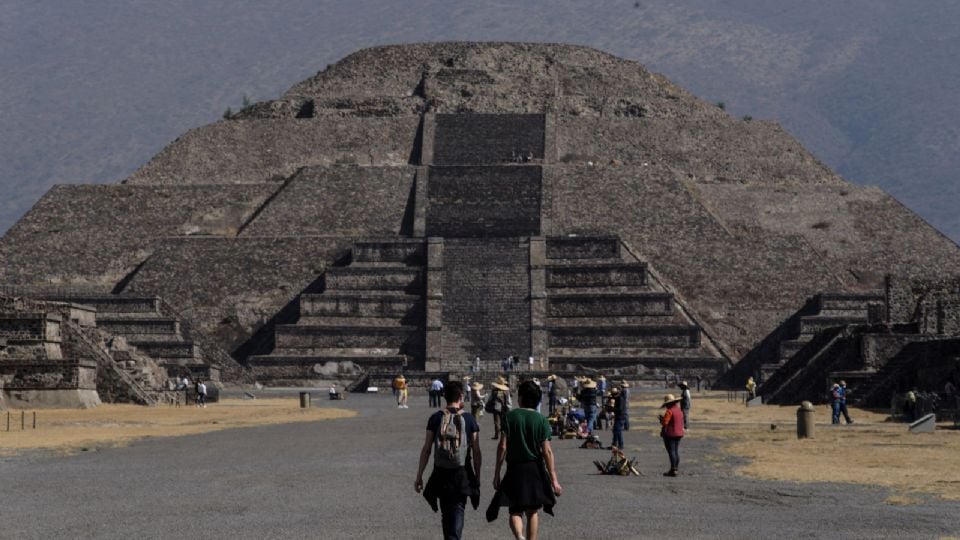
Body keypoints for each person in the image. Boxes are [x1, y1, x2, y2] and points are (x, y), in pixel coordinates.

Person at [488, 380, 562, 540]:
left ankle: (519, 537)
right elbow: (547, 451)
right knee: (533, 510)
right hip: (534, 468)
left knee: (515, 510)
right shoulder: (541, 420)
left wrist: (497, 473)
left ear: (520, 397)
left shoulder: (510, 417)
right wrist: (554, 479)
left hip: (515, 468)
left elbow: (502, 447)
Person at [415, 381, 482, 540]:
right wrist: (477, 476)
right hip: (462, 472)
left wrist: (419, 475)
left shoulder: (435, 418)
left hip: (441, 471)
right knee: (458, 508)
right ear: (461, 396)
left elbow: (426, 449)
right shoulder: (469, 419)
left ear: (444, 396)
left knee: (446, 511)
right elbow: (476, 451)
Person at [659, 394, 685, 476]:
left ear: (669, 403)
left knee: (672, 452)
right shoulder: (679, 410)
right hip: (679, 433)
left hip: (670, 434)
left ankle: (673, 469)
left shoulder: (669, 411)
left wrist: (661, 419)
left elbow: (665, 423)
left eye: (667, 404)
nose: (666, 406)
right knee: (676, 451)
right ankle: (675, 468)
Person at [610, 386, 627, 450]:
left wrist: (612, 409)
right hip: (619, 416)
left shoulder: (620, 399)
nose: (613, 396)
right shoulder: (618, 398)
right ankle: (615, 444)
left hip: (621, 416)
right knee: (615, 430)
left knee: (618, 431)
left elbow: (619, 409)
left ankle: (620, 444)